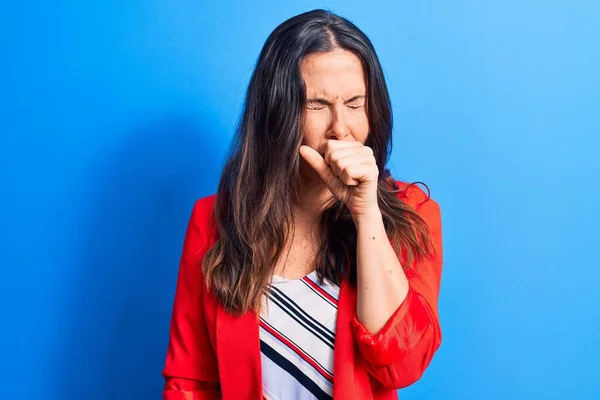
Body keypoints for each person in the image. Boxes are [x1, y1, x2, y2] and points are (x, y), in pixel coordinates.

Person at [162, 8, 443, 400]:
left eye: (355, 103)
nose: (340, 128)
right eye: (317, 105)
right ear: (277, 112)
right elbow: (190, 382)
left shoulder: (411, 214)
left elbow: (403, 364)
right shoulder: (215, 221)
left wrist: (366, 214)